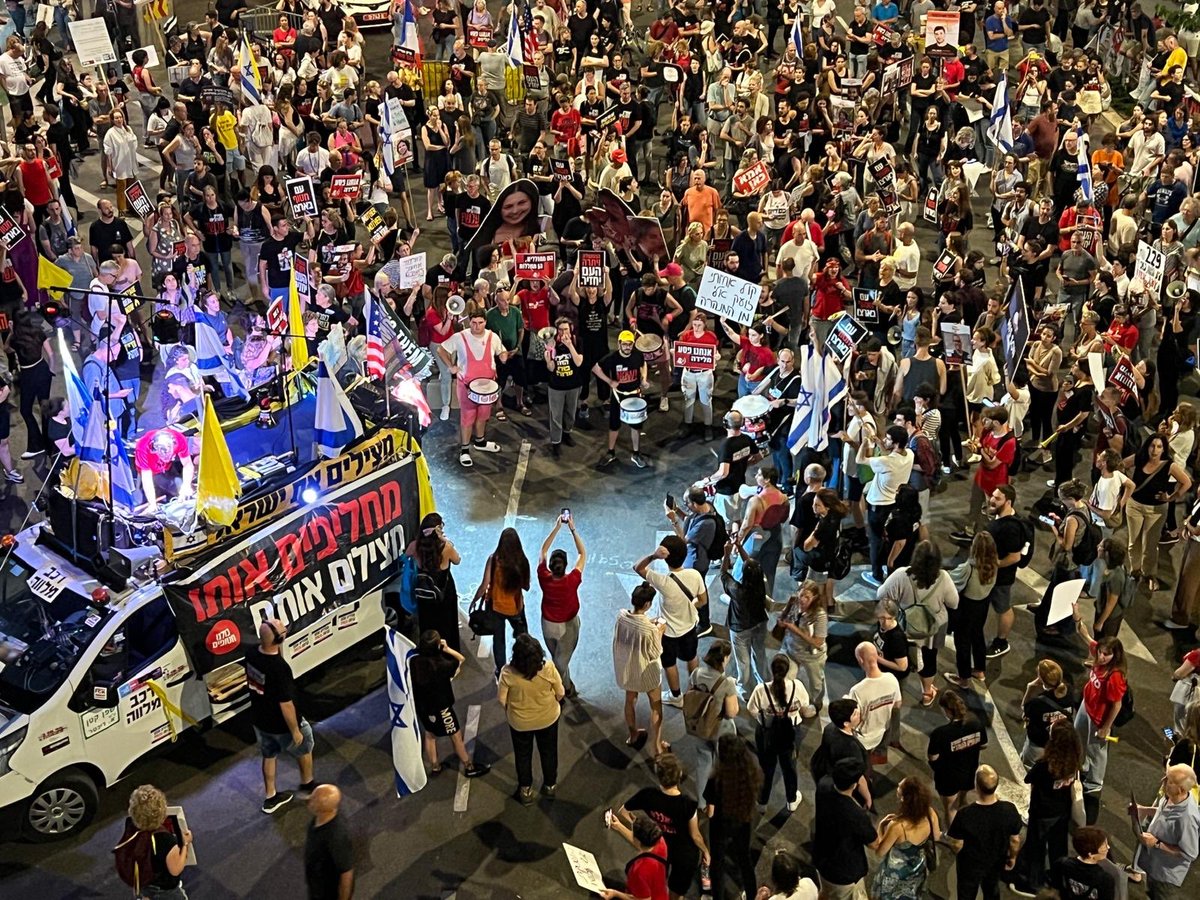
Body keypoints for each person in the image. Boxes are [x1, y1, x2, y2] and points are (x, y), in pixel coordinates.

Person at [244, 618, 316, 814]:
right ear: (279, 639)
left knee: (269, 755)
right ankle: (308, 785)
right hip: (280, 724)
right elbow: (286, 705)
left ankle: (270, 797)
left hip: (260, 719)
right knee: (304, 748)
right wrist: (295, 731)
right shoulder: (279, 669)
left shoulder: (251, 653)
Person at [616, 753, 710, 900]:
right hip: (684, 853)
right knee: (676, 891)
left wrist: (638, 824)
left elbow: (623, 812)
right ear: (679, 775)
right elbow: (695, 835)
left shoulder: (647, 795)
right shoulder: (687, 804)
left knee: (657, 882)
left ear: (658, 776)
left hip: (660, 847)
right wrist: (705, 851)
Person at [876, 540, 957, 707]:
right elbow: (954, 603)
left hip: (907, 627)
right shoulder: (943, 578)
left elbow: (881, 594)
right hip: (932, 629)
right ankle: (927, 692)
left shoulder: (901, 575)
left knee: (902, 658)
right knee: (929, 658)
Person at [633, 535, 707, 706]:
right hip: (689, 627)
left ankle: (676, 697)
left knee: (669, 663)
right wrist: (690, 606)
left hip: (669, 633)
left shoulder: (663, 581)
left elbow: (638, 567)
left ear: (666, 558)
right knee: (692, 657)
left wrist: (653, 556)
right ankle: (694, 690)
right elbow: (702, 600)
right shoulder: (694, 575)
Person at [1011, 721, 1084, 893]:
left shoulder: (1045, 766)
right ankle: (1059, 881)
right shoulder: (1074, 760)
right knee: (1058, 848)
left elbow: (1029, 781)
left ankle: (1033, 883)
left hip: (1042, 812)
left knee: (1036, 848)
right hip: (1062, 811)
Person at [409, 630, 490, 779]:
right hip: (442, 708)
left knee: (430, 735)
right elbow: (461, 659)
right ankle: (468, 766)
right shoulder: (441, 665)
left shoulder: (414, 661)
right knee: (455, 737)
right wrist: (447, 649)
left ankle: (435, 766)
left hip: (423, 707)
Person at [498, 633, 564, 806]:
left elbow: (501, 700)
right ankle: (550, 785)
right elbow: (560, 692)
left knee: (523, 755)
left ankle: (526, 790)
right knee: (549, 752)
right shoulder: (548, 668)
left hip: (520, 723)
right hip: (548, 719)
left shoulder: (507, 673)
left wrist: (511, 710)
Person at [436, 310, 508, 468]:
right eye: (474, 322)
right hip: (467, 385)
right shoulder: (460, 337)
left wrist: (503, 355)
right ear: (469, 321)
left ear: (485, 322)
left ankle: (480, 441)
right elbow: (441, 349)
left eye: (480, 322)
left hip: (487, 386)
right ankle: (465, 449)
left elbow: (502, 351)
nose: (477, 326)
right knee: (467, 418)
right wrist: (451, 366)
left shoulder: (493, 337)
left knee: (483, 416)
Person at [1070, 615, 1129, 798]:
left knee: (1097, 751)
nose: (1102, 657)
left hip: (1099, 718)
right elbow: (1085, 635)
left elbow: (1116, 705)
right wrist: (1078, 617)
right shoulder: (1098, 652)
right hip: (1086, 707)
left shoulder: (1114, 677)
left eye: (1106, 654)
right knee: (1078, 736)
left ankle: (1095, 782)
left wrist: (1105, 728)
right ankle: (1082, 765)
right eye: (1101, 652)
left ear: (1115, 656)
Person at [945, 765, 1024, 900]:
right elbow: (1015, 840)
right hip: (996, 861)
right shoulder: (1009, 810)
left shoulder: (966, 814)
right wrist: (1012, 857)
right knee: (992, 889)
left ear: (976, 786)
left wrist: (960, 855)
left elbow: (957, 844)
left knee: (966, 893)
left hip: (971, 865)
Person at [748, 654, 814, 813]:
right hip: (791, 731)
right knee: (789, 766)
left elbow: (752, 711)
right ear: (787, 670)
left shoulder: (761, 690)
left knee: (766, 767)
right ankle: (791, 799)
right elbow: (805, 710)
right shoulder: (797, 686)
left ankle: (762, 802)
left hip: (766, 733)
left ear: (772, 670)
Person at [612, 582, 669, 756]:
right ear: (647, 605)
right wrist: (659, 631)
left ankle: (633, 735)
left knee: (630, 701)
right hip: (647, 673)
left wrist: (650, 625)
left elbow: (635, 628)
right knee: (656, 705)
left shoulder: (621, 616)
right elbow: (655, 652)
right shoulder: (650, 630)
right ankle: (657, 745)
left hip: (628, 670)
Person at [1129, 764, 1200, 900]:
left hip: (1165, 875)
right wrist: (1144, 810)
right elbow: (1164, 814)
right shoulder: (1172, 797)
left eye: (1169, 781)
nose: (1163, 781)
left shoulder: (1187, 818)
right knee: (1151, 893)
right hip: (1154, 863)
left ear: (1181, 789)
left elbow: (1190, 853)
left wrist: (1156, 843)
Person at [537, 511, 586, 698]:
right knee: (560, 664)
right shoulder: (572, 579)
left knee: (557, 660)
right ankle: (563, 691)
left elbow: (542, 550)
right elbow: (582, 553)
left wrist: (557, 527)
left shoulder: (543, 576)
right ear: (565, 566)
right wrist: (572, 529)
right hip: (568, 626)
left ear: (550, 565)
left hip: (548, 624)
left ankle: (567, 687)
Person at [869, 777, 941, 900]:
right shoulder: (930, 813)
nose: (897, 785)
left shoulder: (898, 826)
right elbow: (936, 836)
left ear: (904, 800)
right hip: (917, 865)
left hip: (896, 871)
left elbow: (879, 851)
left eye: (899, 788)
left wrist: (881, 827)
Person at [814, 759, 877, 899]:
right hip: (844, 872)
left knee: (825, 893)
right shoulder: (856, 815)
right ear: (854, 785)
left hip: (822, 857)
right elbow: (874, 844)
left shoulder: (824, 784)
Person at [118, 785, 193, 900]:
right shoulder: (166, 841)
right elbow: (175, 869)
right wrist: (184, 844)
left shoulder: (131, 826)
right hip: (164, 890)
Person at [686, 640, 739, 801]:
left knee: (703, 762)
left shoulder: (696, 674)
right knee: (725, 763)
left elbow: (689, 697)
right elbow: (731, 712)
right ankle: (724, 798)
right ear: (724, 659)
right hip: (720, 729)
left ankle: (702, 802)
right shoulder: (727, 683)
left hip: (699, 726)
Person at [476, 527, 531, 679]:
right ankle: (524, 665)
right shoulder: (522, 561)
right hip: (516, 607)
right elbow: (526, 587)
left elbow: (484, 584)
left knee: (498, 640)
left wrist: (475, 600)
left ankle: (501, 671)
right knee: (523, 637)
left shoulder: (493, 560)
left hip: (495, 607)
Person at [928, 690, 989, 824]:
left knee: (951, 809)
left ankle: (954, 836)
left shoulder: (940, 733)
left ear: (947, 711)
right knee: (962, 798)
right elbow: (984, 744)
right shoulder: (976, 724)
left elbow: (933, 758)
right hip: (969, 770)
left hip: (949, 776)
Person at [946, 532, 998, 686]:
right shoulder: (994, 565)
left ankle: (963, 678)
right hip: (982, 605)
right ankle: (980, 670)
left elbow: (950, 579)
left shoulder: (968, 567)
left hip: (967, 607)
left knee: (962, 642)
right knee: (977, 636)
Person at [720, 539, 770, 698]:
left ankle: (743, 687)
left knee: (743, 661)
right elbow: (751, 564)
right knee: (759, 653)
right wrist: (740, 547)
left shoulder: (737, 590)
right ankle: (764, 683)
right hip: (759, 623)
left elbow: (723, 574)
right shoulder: (761, 583)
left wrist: (727, 554)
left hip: (740, 628)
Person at [407, 513, 463, 653]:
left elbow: (406, 554)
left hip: (424, 592)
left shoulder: (415, 546)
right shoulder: (446, 548)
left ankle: (428, 651)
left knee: (427, 622)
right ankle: (448, 653)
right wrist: (446, 540)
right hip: (444, 593)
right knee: (446, 624)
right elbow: (457, 560)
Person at [594, 329, 649, 468]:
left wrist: (644, 379)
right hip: (619, 396)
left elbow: (643, 364)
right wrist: (609, 381)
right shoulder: (613, 358)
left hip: (634, 395)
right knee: (614, 426)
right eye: (624, 344)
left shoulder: (637, 355)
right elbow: (595, 368)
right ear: (619, 344)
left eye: (630, 344)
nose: (627, 347)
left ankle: (636, 453)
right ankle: (610, 452)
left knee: (636, 427)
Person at [847, 641, 903, 761]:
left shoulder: (857, 691)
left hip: (864, 738)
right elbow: (897, 705)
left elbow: (854, 719)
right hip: (883, 732)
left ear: (861, 660)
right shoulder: (892, 679)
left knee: (863, 760)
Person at [1020, 659, 1077, 769]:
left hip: (1038, 746)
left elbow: (1024, 708)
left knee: (1029, 769)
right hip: (1059, 744)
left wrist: (1030, 688)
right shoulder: (1069, 691)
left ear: (1041, 679)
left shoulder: (1038, 703)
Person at [599, 812, 670, 900]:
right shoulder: (660, 842)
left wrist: (615, 894)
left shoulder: (639, 871)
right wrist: (619, 826)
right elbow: (640, 842)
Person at [304, 785, 355, 900]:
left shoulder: (336, 836)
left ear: (323, 807)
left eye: (314, 799)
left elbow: (346, 873)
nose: (309, 799)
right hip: (317, 885)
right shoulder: (318, 820)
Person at [1047, 826, 1121, 900]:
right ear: (1090, 854)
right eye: (1104, 846)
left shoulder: (1063, 863)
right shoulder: (1105, 879)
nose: (1108, 848)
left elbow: (1056, 885)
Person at [134, 427, 195, 514]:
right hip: (151, 472)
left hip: (168, 467)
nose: (165, 458)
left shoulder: (179, 439)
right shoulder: (142, 447)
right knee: (155, 503)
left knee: (181, 490)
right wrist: (152, 504)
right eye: (162, 456)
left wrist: (186, 485)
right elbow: (147, 478)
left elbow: (187, 464)